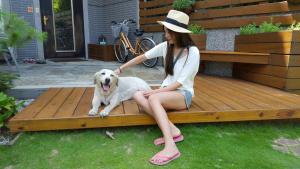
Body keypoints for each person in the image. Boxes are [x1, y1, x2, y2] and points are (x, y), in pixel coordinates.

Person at [114, 10, 200, 165]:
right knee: (137, 95)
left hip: (183, 94)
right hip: (166, 93)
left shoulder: (193, 52)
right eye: (165, 31)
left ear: (179, 33)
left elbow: (179, 83)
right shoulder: (166, 46)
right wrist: (120, 69)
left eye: (169, 32)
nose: (166, 35)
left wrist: (155, 92)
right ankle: (173, 131)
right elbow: (142, 57)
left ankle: (171, 146)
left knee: (151, 96)